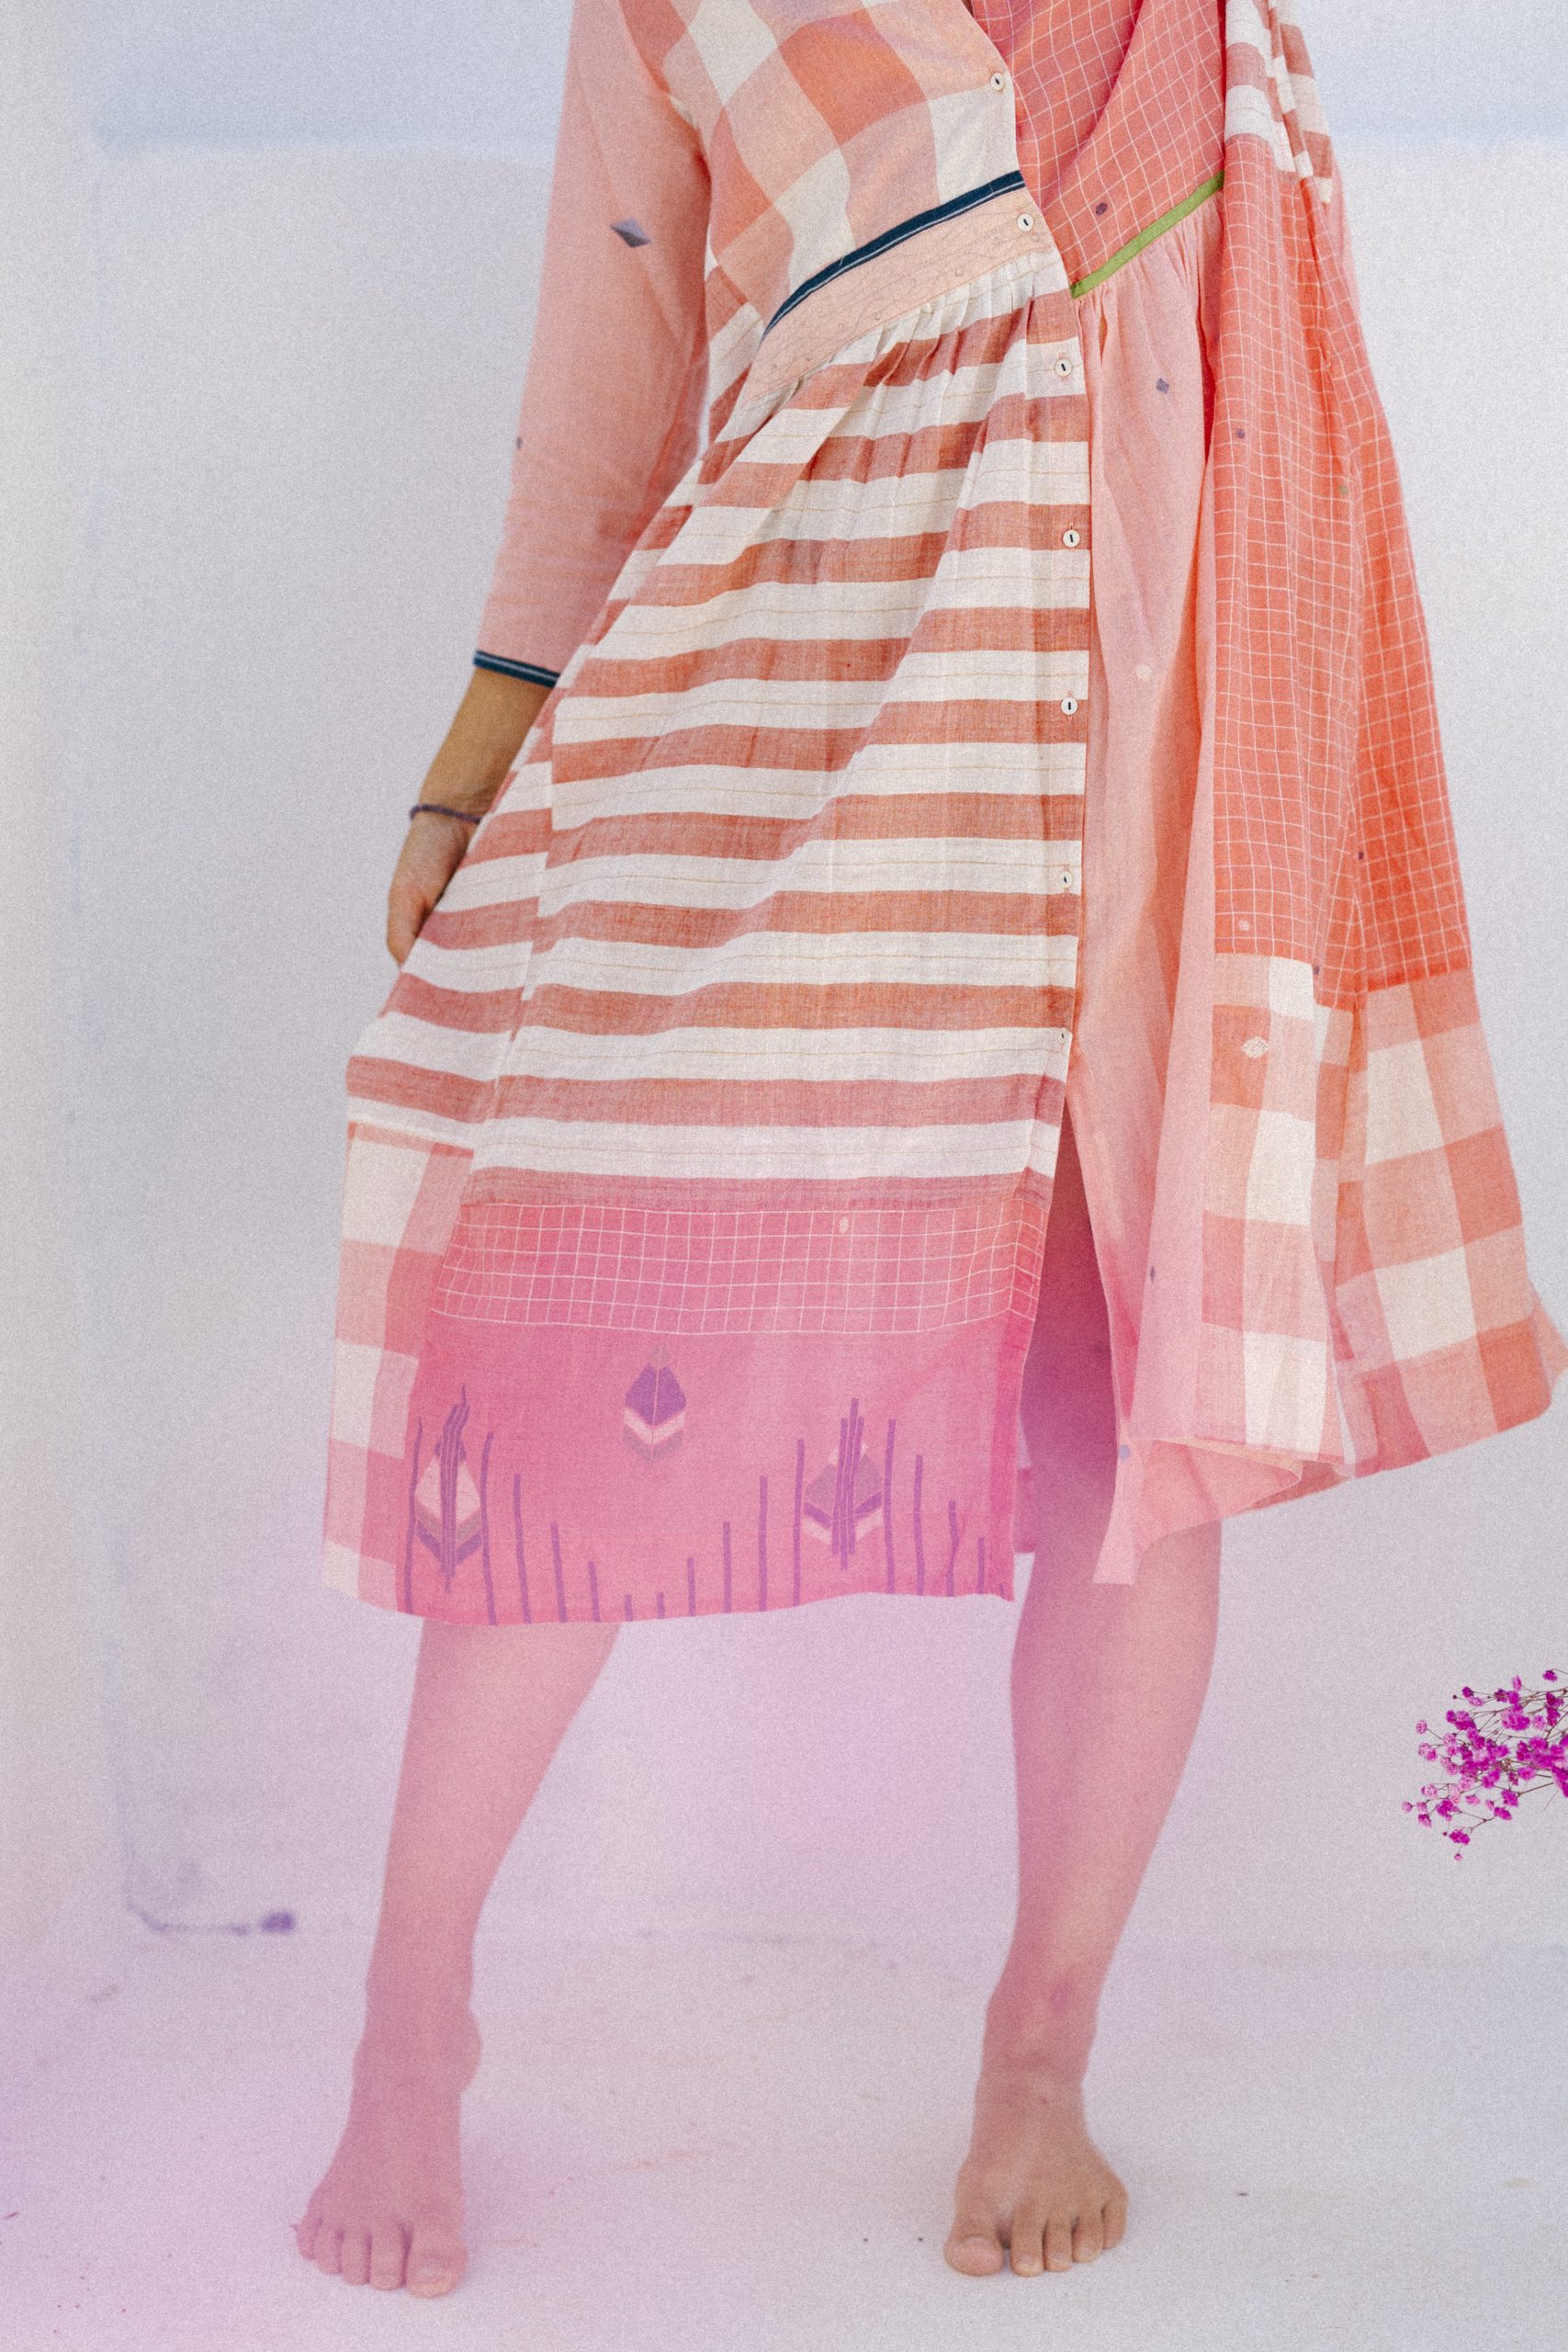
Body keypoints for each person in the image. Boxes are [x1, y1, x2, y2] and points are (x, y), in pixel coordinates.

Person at [294, 0, 1565, 2297]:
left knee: (1126, 1403)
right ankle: (410, 2012)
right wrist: (484, 741)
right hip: (813, 711)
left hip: (1179, 702)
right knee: (587, 1389)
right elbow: (609, 370)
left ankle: (1037, 2045)